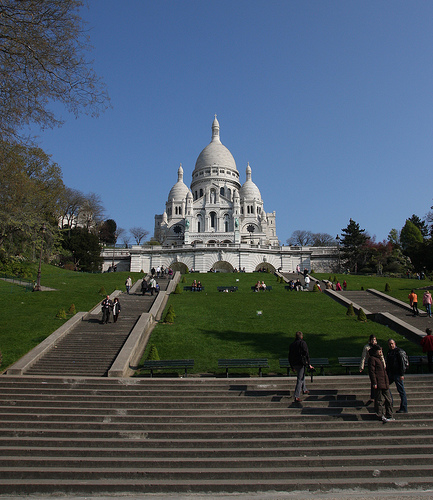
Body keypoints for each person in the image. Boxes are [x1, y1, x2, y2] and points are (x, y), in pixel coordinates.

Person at [368, 344, 394, 423]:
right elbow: (372, 372)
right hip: (378, 382)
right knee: (379, 400)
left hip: (384, 382)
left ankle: (389, 414)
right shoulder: (372, 359)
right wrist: (374, 382)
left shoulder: (379, 359)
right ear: (376, 351)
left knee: (389, 399)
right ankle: (380, 415)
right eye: (379, 351)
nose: (381, 352)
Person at [288, 331, 314, 403]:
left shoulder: (292, 345)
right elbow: (306, 353)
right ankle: (296, 396)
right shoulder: (302, 343)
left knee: (302, 376)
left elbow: (289, 356)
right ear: (301, 337)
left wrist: (291, 366)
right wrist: (309, 364)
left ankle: (304, 388)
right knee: (300, 379)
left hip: (294, 363)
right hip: (301, 363)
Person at [360, 335, 385, 404]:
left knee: (378, 380)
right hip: (371, 364)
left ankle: (377, 395)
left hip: (378, 365)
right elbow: (363, 357)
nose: (374, 341)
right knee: (373, 380)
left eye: (374, 339)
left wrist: (384, 365)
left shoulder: (377, 347)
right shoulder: (367, 347)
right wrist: (362, 366)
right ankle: (373, 396)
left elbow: (381, 356)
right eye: (372, 339)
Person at [386, 338, 408, 414]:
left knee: (401, 390)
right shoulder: (390, 352)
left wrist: (402, 374)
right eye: (389, 344)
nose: (391, 345)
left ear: (395, 343)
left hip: (398, 373)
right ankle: (390, 401)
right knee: (385, 385)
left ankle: (404, 407)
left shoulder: (399, 352)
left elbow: (402, 363)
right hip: (391, 373)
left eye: (392, 343)